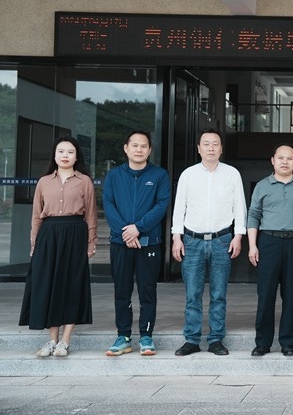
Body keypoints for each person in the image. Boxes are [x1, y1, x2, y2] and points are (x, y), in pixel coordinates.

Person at [19, 136, 97, 358]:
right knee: (49, 285)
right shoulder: (44, 182)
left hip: (75, 234)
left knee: (72, 285)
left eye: (70, 152)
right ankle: (52, 340)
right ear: (54, 155)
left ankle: (65, 341)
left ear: (76, 156)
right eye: (61, 151)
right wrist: (34, 243)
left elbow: (91, 215)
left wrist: (91, 242)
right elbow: (36, 216)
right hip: (49, 235)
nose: (65, 155)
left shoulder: (84, 181)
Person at [171, 129, 246, 357]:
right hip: (192, 240)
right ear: (199, 148)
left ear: (221, 148)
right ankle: (191, 340)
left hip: (222, 240)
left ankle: (216, 340)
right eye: (206, 143)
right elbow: (179, 208)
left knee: (219, 294)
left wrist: (238, 235)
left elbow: (240, 206)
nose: (211, 148)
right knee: (192, 295)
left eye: (215, 144)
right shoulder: (188, 175)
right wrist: (176, 237)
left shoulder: (232, 174)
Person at [102, 130, 171, 357]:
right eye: (135, 145)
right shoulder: (114, 176)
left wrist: (138, 228)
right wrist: (126, 233)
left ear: (149, 150)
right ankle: (123, 336)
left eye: (143, 146)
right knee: (122, 290)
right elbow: (108, 205)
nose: (139, 150)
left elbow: (161, 205)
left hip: (149, 243)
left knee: (147, 290)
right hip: (120, 242)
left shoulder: (159, 175)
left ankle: (146, 336)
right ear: (126, 148)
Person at [247, 144, 293, 357]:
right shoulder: (262, 186)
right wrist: (252, 245)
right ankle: (262, 343)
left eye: (289, 158)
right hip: (268, 242)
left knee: (290, 295)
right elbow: (253, 215)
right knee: (265, 295)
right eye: (281, 158)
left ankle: (288, 343)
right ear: (273, 161)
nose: (285, 162)